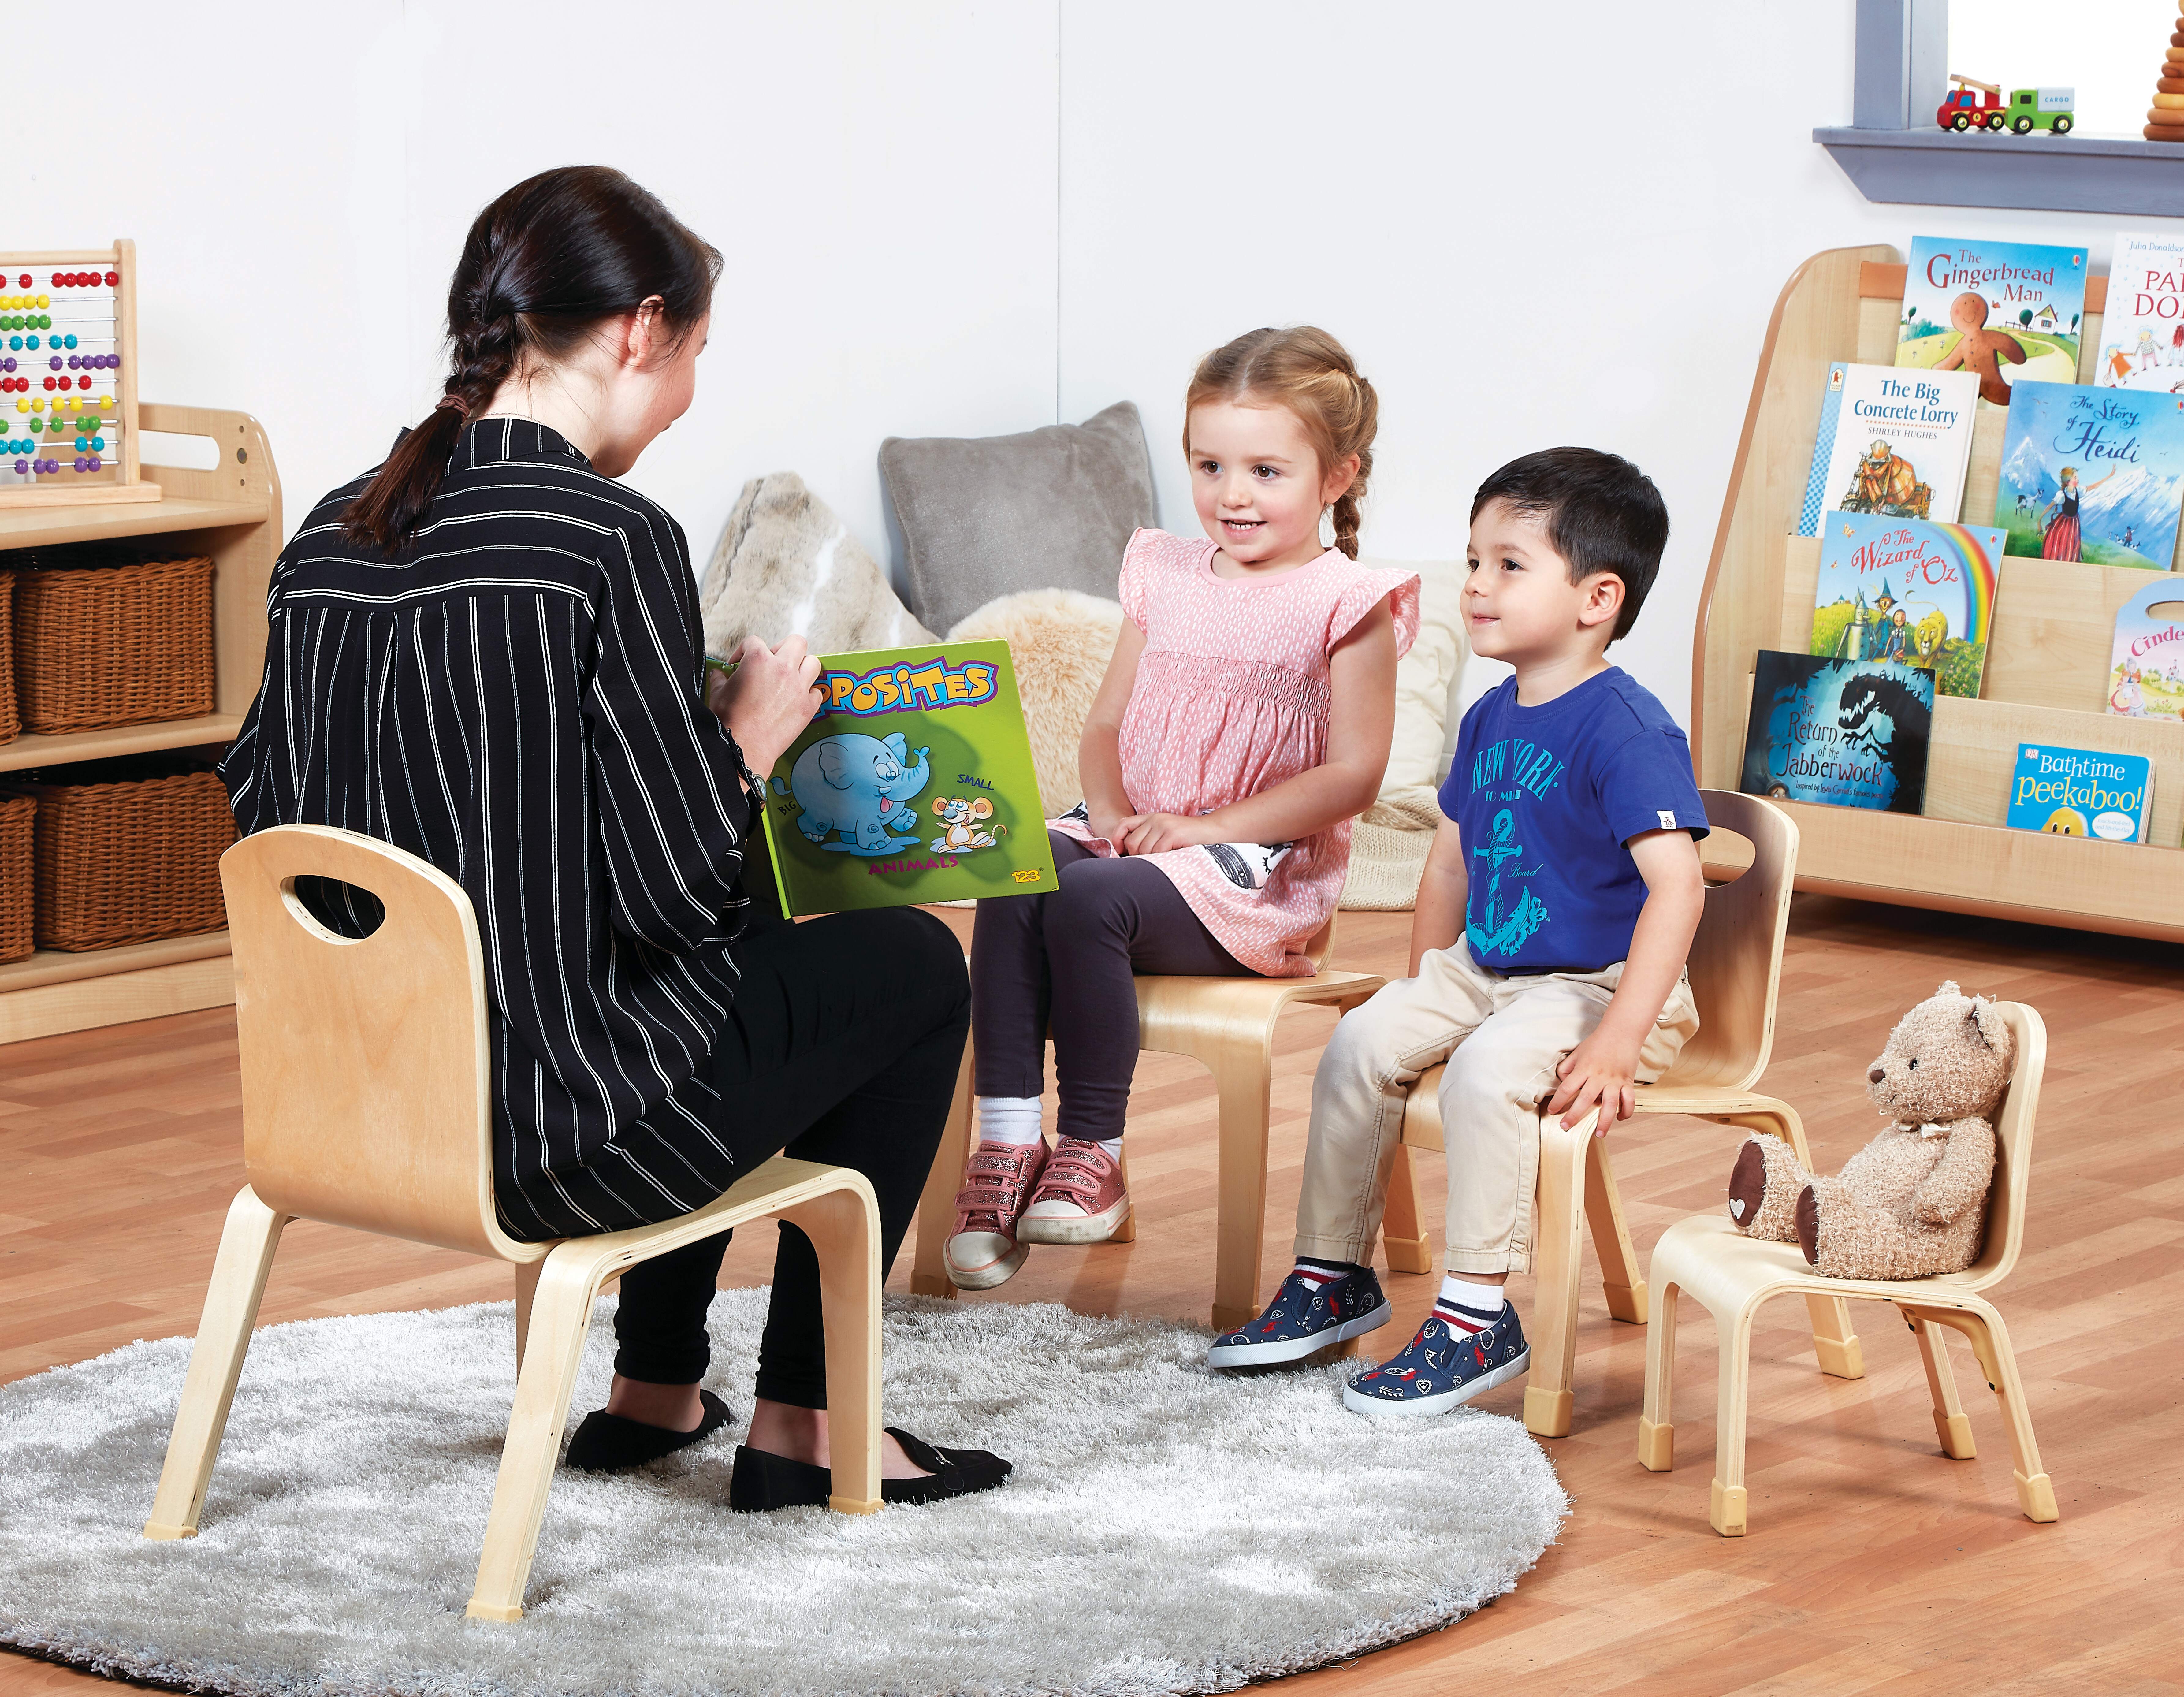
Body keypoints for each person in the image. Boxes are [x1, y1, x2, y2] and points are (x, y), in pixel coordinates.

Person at [219, 166, 1006, 1509]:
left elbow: (272, 810)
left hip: (357, 1108)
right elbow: (675, 893)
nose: (691, 384)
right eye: (695, 350)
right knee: (917, 967)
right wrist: (748, 741)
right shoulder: (609, 540)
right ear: (640, 332)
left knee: (732, 913)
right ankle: (810, 1422)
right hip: (560, 1135)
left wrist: (649, 759)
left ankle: (655, 1385)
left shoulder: (328, 538)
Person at [1207, 448, 1708, 1419]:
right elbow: (1448, 862)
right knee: (1359, 1040)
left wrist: (1615, 1040)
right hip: (1487, 966)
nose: (1474, 586)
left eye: (1508, 565)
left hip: (1599, 983)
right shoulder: (1487, 718)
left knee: (1485, 1074)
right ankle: (1332, 1275)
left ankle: (1479, 1314)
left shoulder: (1626, 730)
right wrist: (1421, 989)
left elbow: (1678, 893)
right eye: (1471, 561)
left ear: (1596, 596)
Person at [941, 327, 1419, 1289]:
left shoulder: (1346, 600)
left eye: (1265, 470)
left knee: (1089, 899)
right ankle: (1004, 1146)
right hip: (1140, 845)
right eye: (1209, 464)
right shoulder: (1162, 570)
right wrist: (1113, 809)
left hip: (1247, 876)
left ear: (1337, 476)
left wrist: (1200, 828)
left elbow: (1355, 774)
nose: (1231, 494)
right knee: (1021, 860)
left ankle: (1092, 1152)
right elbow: (1105, 722)